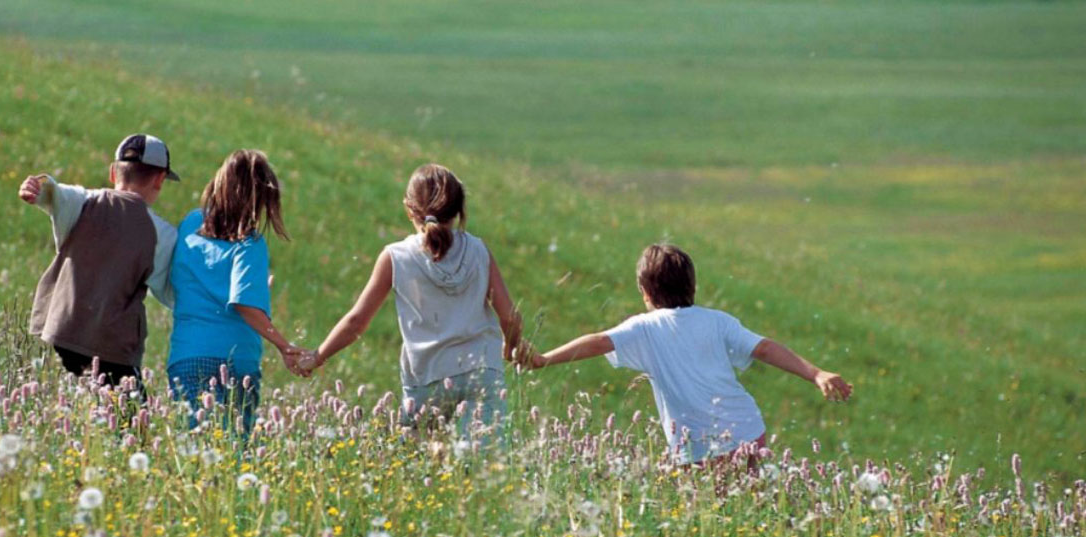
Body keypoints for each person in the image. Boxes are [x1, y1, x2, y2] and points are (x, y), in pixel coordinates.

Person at [526, 243, 852, 465]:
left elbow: (598, 341)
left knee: (704, 522)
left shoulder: (644, 327)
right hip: (746, 431)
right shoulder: (719, 321)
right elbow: (765, 348)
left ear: (646, 292)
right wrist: (816, 373)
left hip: (694, 446)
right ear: (692, 286)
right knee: (748, 511)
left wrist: (544, 358)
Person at [300, 164, 531, 444]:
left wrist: (317, 356)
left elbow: (356, 322)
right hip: (481, 371)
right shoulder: (479, 250)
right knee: (482, 468)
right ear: (459, 210)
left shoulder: (395, 257)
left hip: (427, 378)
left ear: (409, 209)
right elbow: (509, 316)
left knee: (422, 467)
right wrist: (511, 345)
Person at [18, 133, 179, 391]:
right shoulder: (161, 234)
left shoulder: (85, 201)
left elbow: (55, 192)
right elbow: (174, 291)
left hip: (60, 331)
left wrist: (36, 188)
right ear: (160, 179)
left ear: (113, 173)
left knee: (64, 409)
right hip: (112, 348)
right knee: (132, 424)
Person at [166, 149, 308, 437]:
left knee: (192, 448)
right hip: (235, 361)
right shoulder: (249, 241)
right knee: (234, 450)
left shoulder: (191, 224)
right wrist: (284, 345)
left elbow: (196, 277)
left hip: (187, 355)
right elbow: (244, 304)